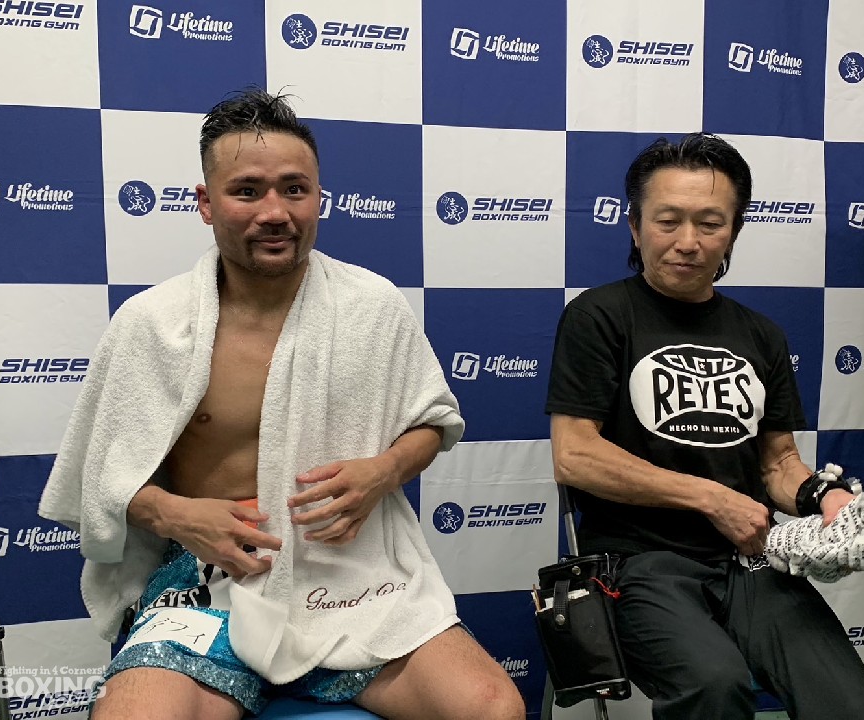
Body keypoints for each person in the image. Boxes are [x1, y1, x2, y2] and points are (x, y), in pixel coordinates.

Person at [39, 88, 525, 720]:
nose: (275, 212)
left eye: (295, 189)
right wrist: (180, 516)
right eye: (247, 191)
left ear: (319, 196)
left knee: (492, 708)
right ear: (206, 204)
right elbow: (99, 481)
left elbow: (433, 421)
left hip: (346, 573)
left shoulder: (373, 305)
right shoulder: (151, 324)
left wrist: (383, 472)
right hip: (209, 578)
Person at [545, 133, 864, 720]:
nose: (688, 242)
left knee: (847, 703)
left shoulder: (761, 334)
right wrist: (712, 498)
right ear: (635, 226)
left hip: (751, 559)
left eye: (710, 223)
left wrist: (823, 497)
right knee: (715, 685)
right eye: (668, 221)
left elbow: (778, 464)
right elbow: (574, 455)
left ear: (734, 231)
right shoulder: (598, 316)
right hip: (639, 563)